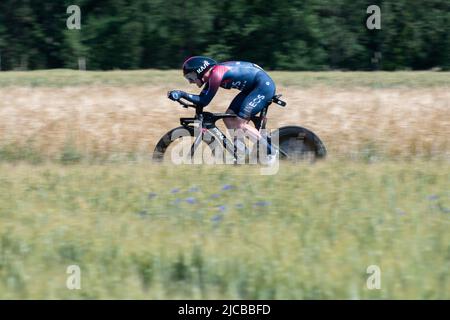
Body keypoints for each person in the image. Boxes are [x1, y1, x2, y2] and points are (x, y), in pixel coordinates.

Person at [168, 56, 278, 162]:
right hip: (252, 88)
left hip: (263, 86)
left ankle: (270, 151)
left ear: (200, 71)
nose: (190, 82)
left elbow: (204, 101)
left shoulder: (216, 74)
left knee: (240, 123)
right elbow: (202, 99)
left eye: (191, 77)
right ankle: (243, 153)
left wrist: (181, 94)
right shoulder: (212, 75)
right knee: (228, 118)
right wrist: (181, 96)